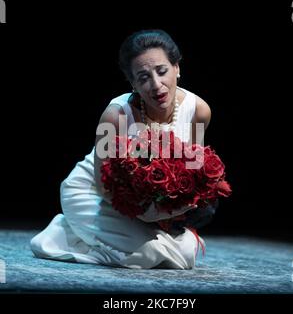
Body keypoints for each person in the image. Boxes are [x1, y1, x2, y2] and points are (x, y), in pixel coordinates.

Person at [30, 29, 215, 270]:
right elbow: (103, 184)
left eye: (162, 71)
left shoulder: (198, 111)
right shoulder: (114, 116)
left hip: (149, 208)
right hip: (92, 194)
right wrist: (147, 214)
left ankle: (80, 233)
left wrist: (174, 210)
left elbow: (192, 170)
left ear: (177, 68)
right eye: (143, 77)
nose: (156, 85)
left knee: (186, 254)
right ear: (133, 83)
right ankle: (59, 235)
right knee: (153, 253)